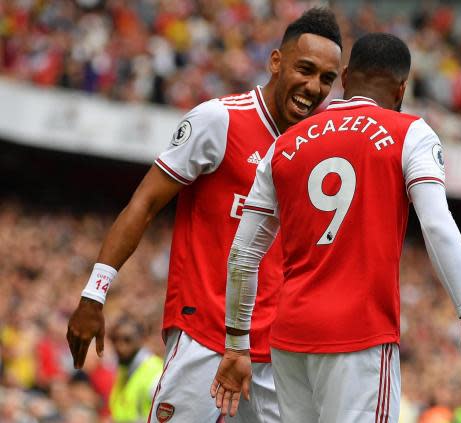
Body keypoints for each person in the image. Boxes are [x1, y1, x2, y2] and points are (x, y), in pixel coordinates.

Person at [66, 7, 342, 423]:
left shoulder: (316, 150)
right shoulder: (219, 120)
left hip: (277, 358)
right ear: (276, 61)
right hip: (204, 338)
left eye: (326, 78)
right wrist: (94, 292)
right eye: (305, 69)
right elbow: (143, 204)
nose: (314, 86)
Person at [211, 33, 461, 423]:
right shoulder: (410, 132)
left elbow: (244, 254)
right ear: (402, 89)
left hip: (290, 340)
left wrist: (237, 345)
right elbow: (436, 224)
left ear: (344, 77)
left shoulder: (285, 143)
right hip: (360, 337)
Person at [108, 315, 162, 423]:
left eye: (127, 340)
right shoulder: (124, 370)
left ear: (142, 339)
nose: (120, 346)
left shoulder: (155, 372)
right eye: (115, 339)